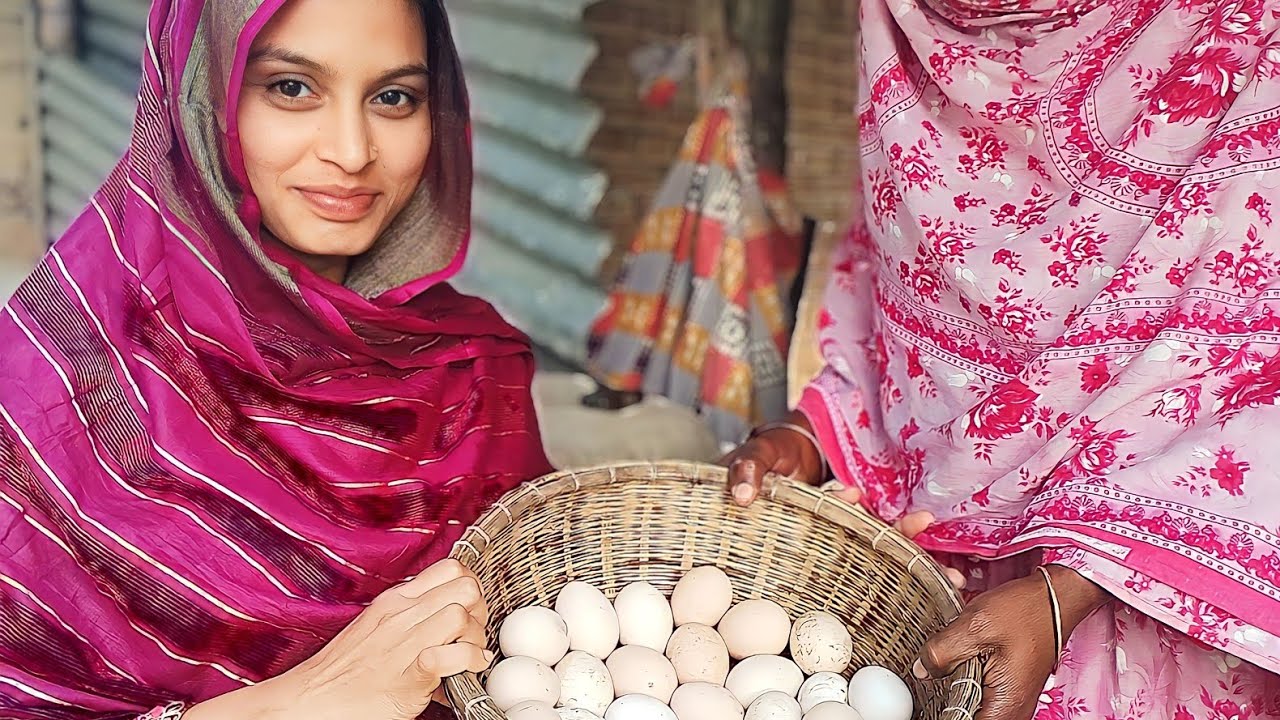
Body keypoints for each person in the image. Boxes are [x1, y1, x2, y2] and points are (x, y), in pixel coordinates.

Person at [727, 0, 1280, 717]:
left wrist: (1068, 593)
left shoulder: (1247, 41)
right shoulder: (906, 23)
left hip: (1162, 621)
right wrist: (819, 433)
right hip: (940, 584)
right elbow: (900, 293)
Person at [0, 1, 553, 718]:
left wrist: (738, 512)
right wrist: (300, 702)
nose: (352, 151)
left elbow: (556, 633)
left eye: (394, 97)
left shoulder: (474, 376)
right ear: (199, 95)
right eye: (291, 87)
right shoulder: (59, 384)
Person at [583, 32, 806, 449]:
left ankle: (687, 393)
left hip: (728, 212)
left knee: (715, 286)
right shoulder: (716, 104)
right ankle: (666, 385)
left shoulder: (733, 129)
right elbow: (657, 90)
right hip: (713, 208)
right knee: (688, 281)